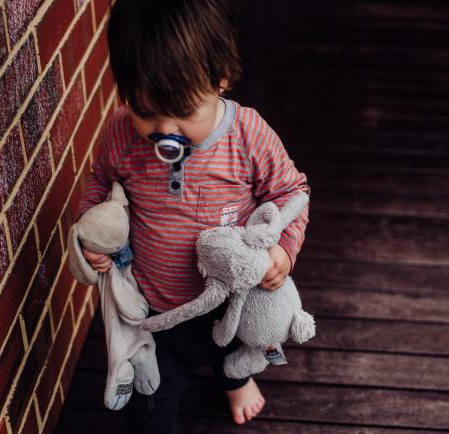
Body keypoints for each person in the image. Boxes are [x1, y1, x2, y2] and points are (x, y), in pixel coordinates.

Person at [77, 0, 310, 432]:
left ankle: (236, 379)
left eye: (183, 113)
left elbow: (291, 192)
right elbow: (100, 180)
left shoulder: (248, 134)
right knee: (149, 408)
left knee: (234, 353)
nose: (165, 131)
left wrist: (285, 251)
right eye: (147, 113)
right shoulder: (121, 134)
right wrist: (96, 231)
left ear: (220, 78)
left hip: (231, 301)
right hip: (157, 312)